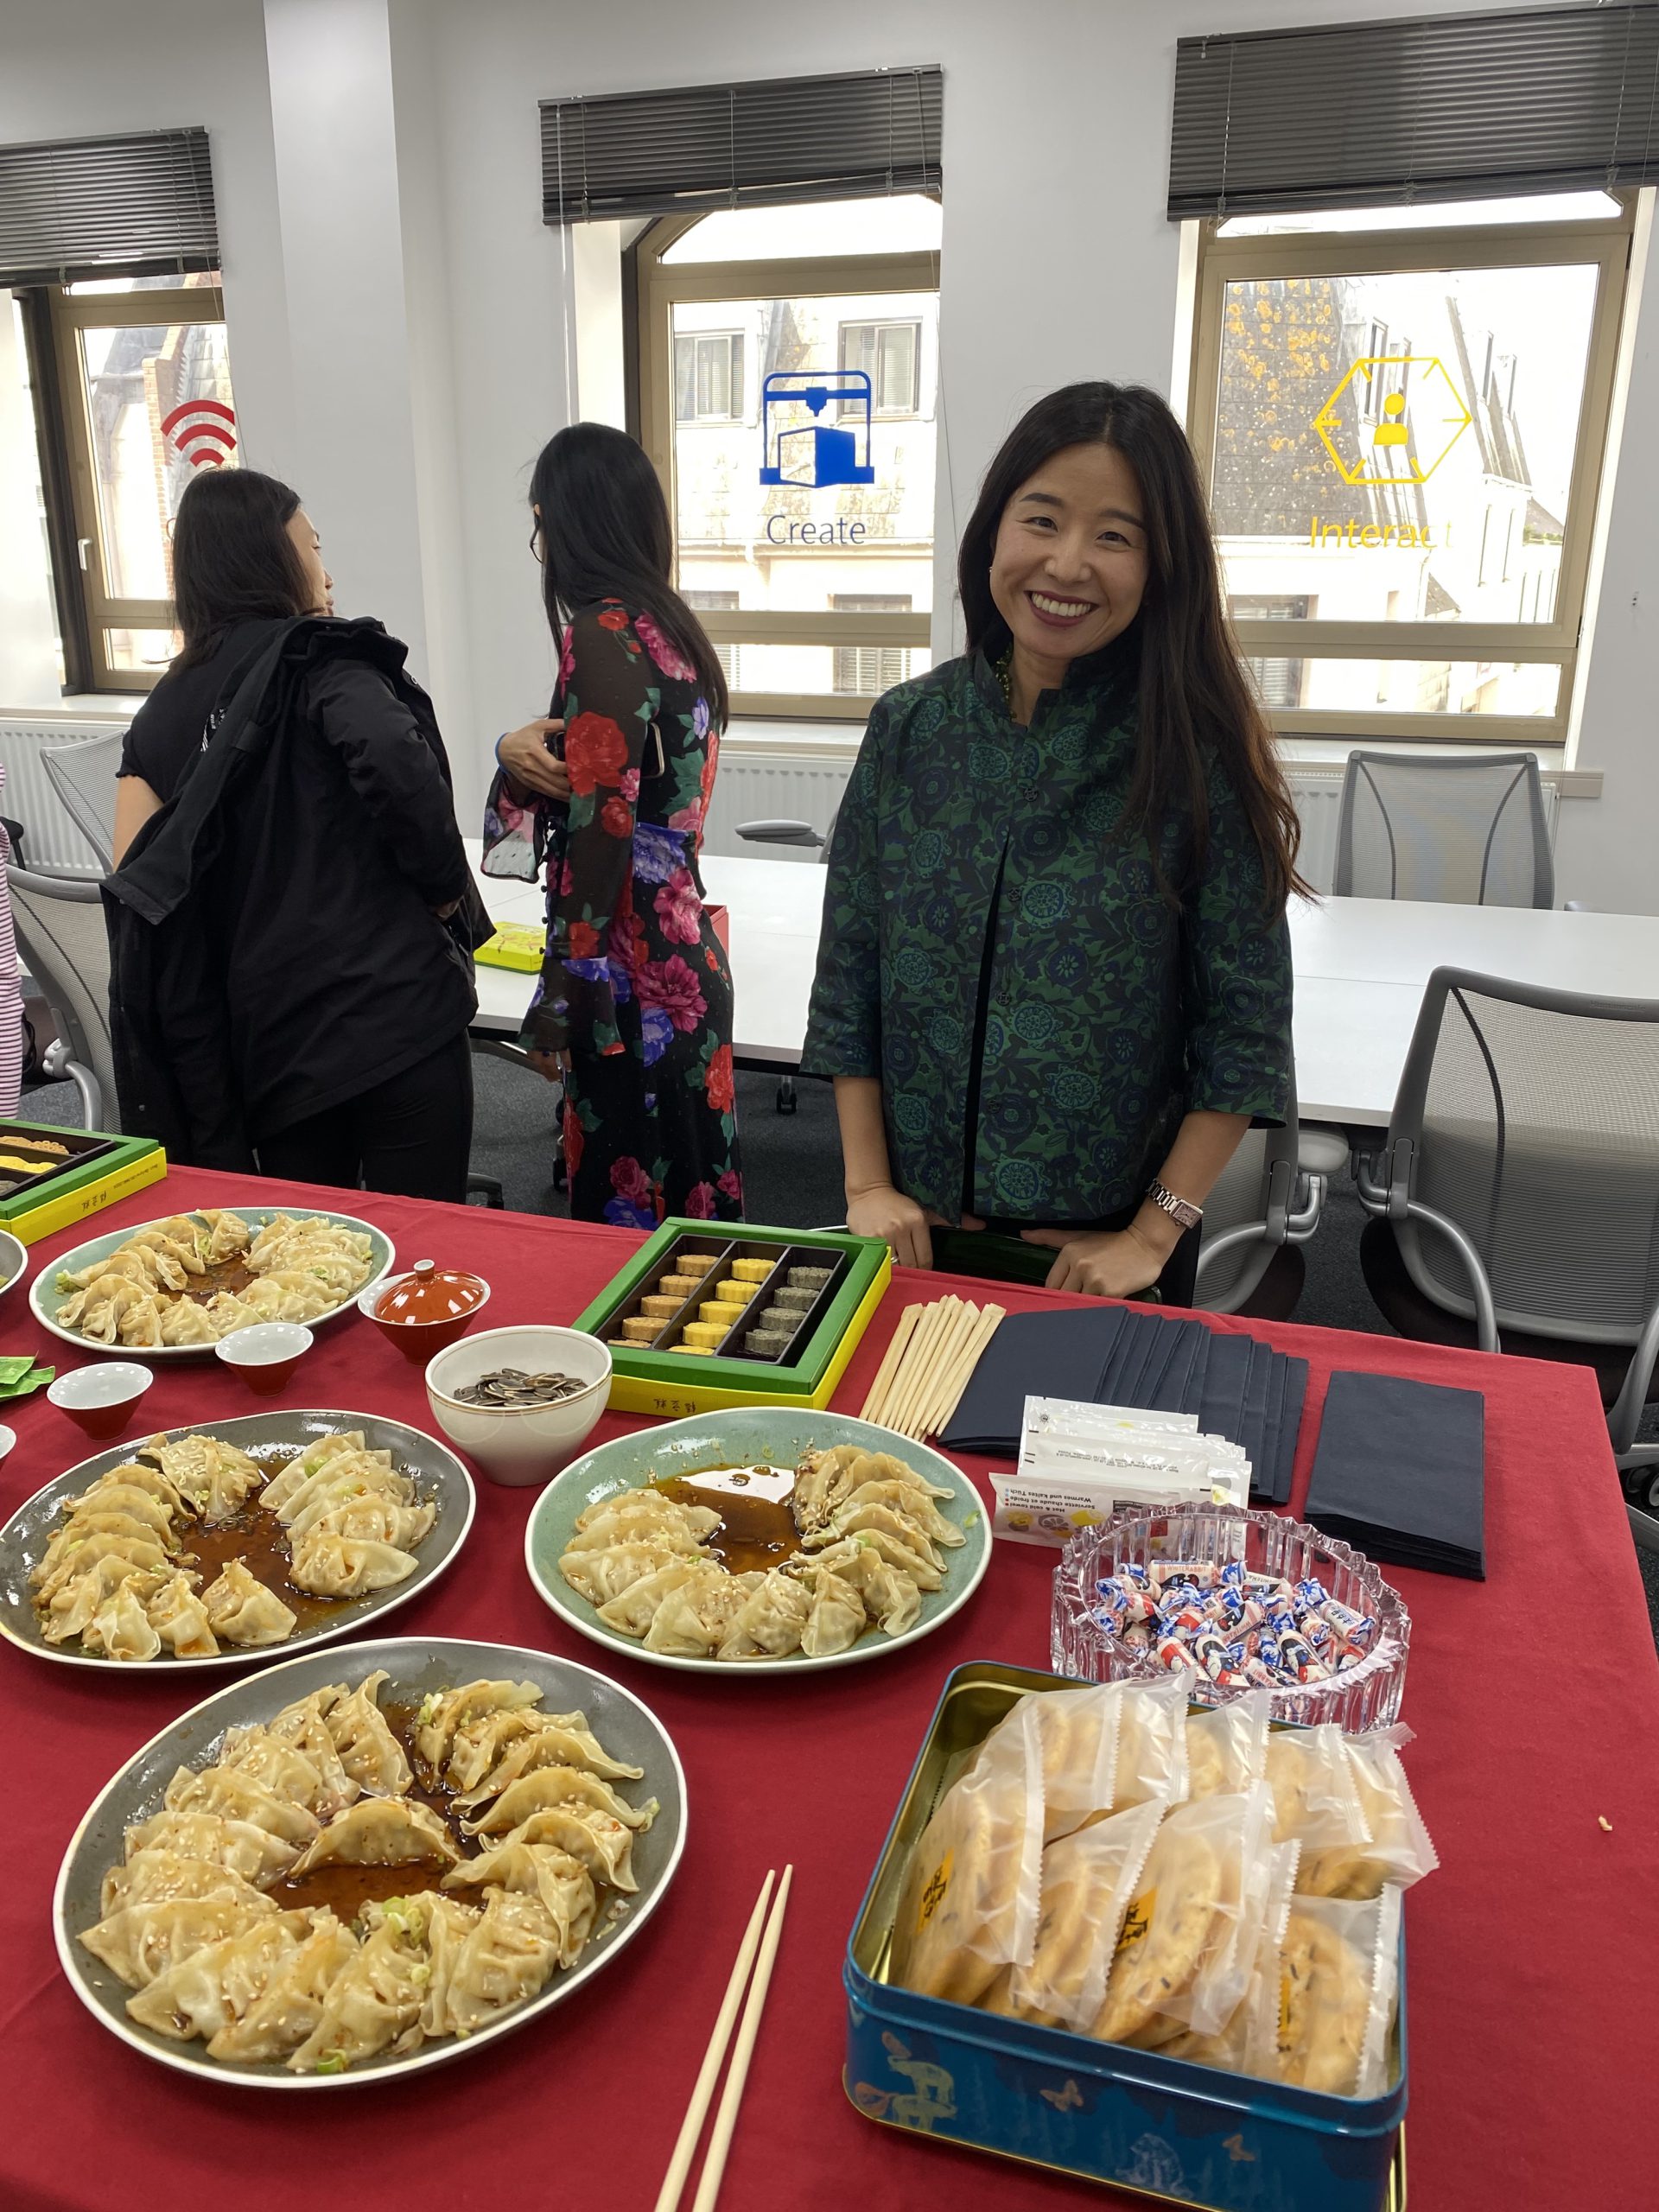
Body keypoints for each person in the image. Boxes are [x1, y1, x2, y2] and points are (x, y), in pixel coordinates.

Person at [802, 381, 1302, 1303]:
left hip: (1098, 1257)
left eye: (1114, 536)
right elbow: (851, 978)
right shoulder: (912, 728)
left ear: (1160, 567)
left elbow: (1246, 1034)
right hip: (910, 1237)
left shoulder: (1191, 760)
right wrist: (866, 1184)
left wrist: (1154, 1232)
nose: (1067, 564)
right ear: (995, 529)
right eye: (1042, 520)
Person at [107, 467, 490, 1200]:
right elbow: (395, 760)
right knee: (427, 1253)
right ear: (270, 557)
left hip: (276, 1050)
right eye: (313, 545)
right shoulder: (321, 659)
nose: (327, 568)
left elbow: (137, 886)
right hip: (396, 1019)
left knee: (311, 1264)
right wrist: (443, 887)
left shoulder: (160, 711)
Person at [483, 423, 742, 1229]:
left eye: (540, 524)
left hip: (633, 971)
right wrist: (511, 745)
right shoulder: (670, 632)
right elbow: (619, 779)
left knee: (636, 1214)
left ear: (569, 524)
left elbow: (604, 824)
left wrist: (566, 990)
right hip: (680, 948)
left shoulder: (599, 633)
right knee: (691, 1199)